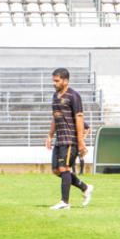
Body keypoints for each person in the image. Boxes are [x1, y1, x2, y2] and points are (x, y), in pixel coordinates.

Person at [46, 68, 93, 210]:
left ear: (65, 81)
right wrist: (50, 135)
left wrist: (80, 142)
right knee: (56, 170)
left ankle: (64, 202)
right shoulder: (55, 96)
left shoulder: (74, 96)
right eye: (53, 80)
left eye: (57, 80)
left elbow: (79, 118)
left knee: (64, 168)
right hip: (59, 139)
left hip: (70, 139)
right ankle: (85, 187)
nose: (54, 83)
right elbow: (55, 117)